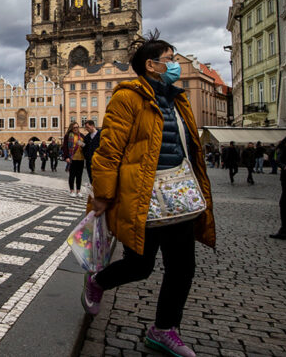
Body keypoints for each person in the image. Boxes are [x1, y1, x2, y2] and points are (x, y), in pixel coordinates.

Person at [84, 35, 214, 357]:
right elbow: (108, 148)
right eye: (169, 58)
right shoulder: (126, 99)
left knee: (182, 267)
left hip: (179, 193)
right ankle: (99, 280)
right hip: (142, 193)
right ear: (151, 65)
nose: (174, 64)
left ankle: (164, 329)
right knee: (140, 265)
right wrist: (102, 195)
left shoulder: (177, 98)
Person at [63, 123, 85, 197]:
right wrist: (66, 157)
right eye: (74, 127)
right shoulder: (68, 136)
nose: (76, 128)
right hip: (72, 158)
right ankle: (72, 190)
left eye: (77, 127)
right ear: (71, 128)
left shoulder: (81, 136)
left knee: (79, 175)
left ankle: (78, 191)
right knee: (72, 175)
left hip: (80, 158)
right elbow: (65, 147)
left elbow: (85, 146)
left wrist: (83, 145)